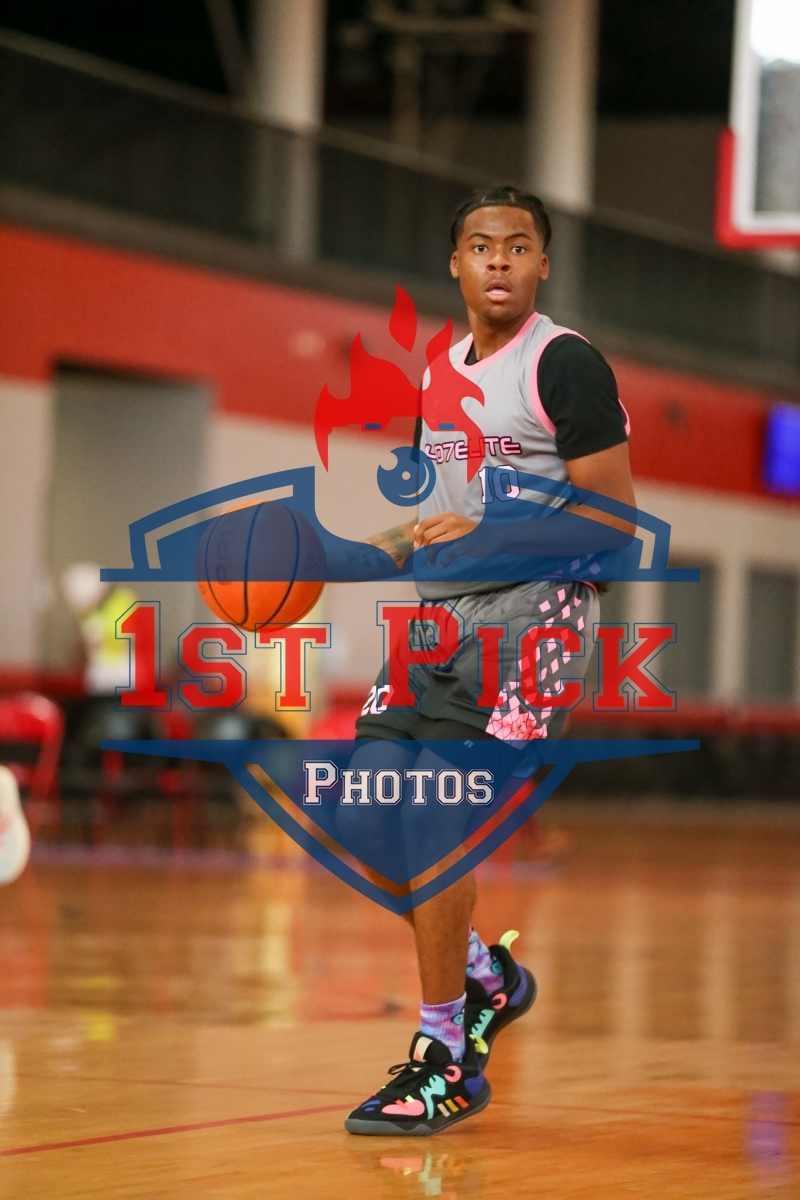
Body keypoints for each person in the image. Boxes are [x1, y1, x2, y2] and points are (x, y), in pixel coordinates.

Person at [344, 184, 636, 1136]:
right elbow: (445, 514)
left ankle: (444, 1058)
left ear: (542, 264)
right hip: (442, 622)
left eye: (517, 245)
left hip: (531, 624)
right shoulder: (438, 369)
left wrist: (491, 536)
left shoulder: (564, 364)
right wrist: (358, 548)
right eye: (481, 245)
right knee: (364, 815)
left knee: (433, 817)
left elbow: (616, 527)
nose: (499, 259)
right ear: (456, 264)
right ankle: (486, 974)